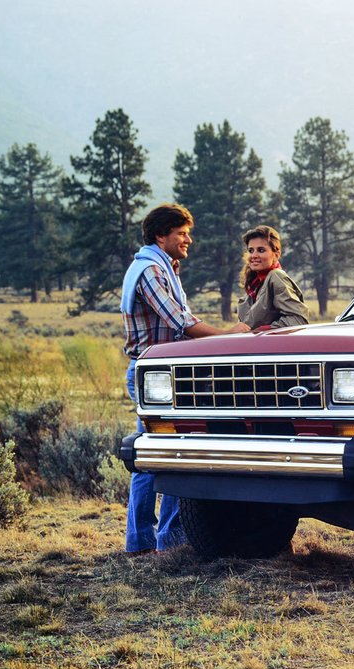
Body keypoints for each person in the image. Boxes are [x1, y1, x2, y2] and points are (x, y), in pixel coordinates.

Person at [120, 203, 251, 555]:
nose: (188, 239)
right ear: (161, 235)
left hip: (167, 373)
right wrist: (228, 336)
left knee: (166, 455)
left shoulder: (161, 267)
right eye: (181, 233)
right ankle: (150, 542)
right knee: (155, 457)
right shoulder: (150, 271)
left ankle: (161, 541)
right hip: (156, 376)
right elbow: (182, 322)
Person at [236, 225, 311, 331]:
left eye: (261, 250)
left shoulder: (276, 276)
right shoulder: (255, 285)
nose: (254, 255)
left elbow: (298, 319)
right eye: (251, 250)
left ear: (276, 254)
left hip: (271, 346)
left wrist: (267, 329)